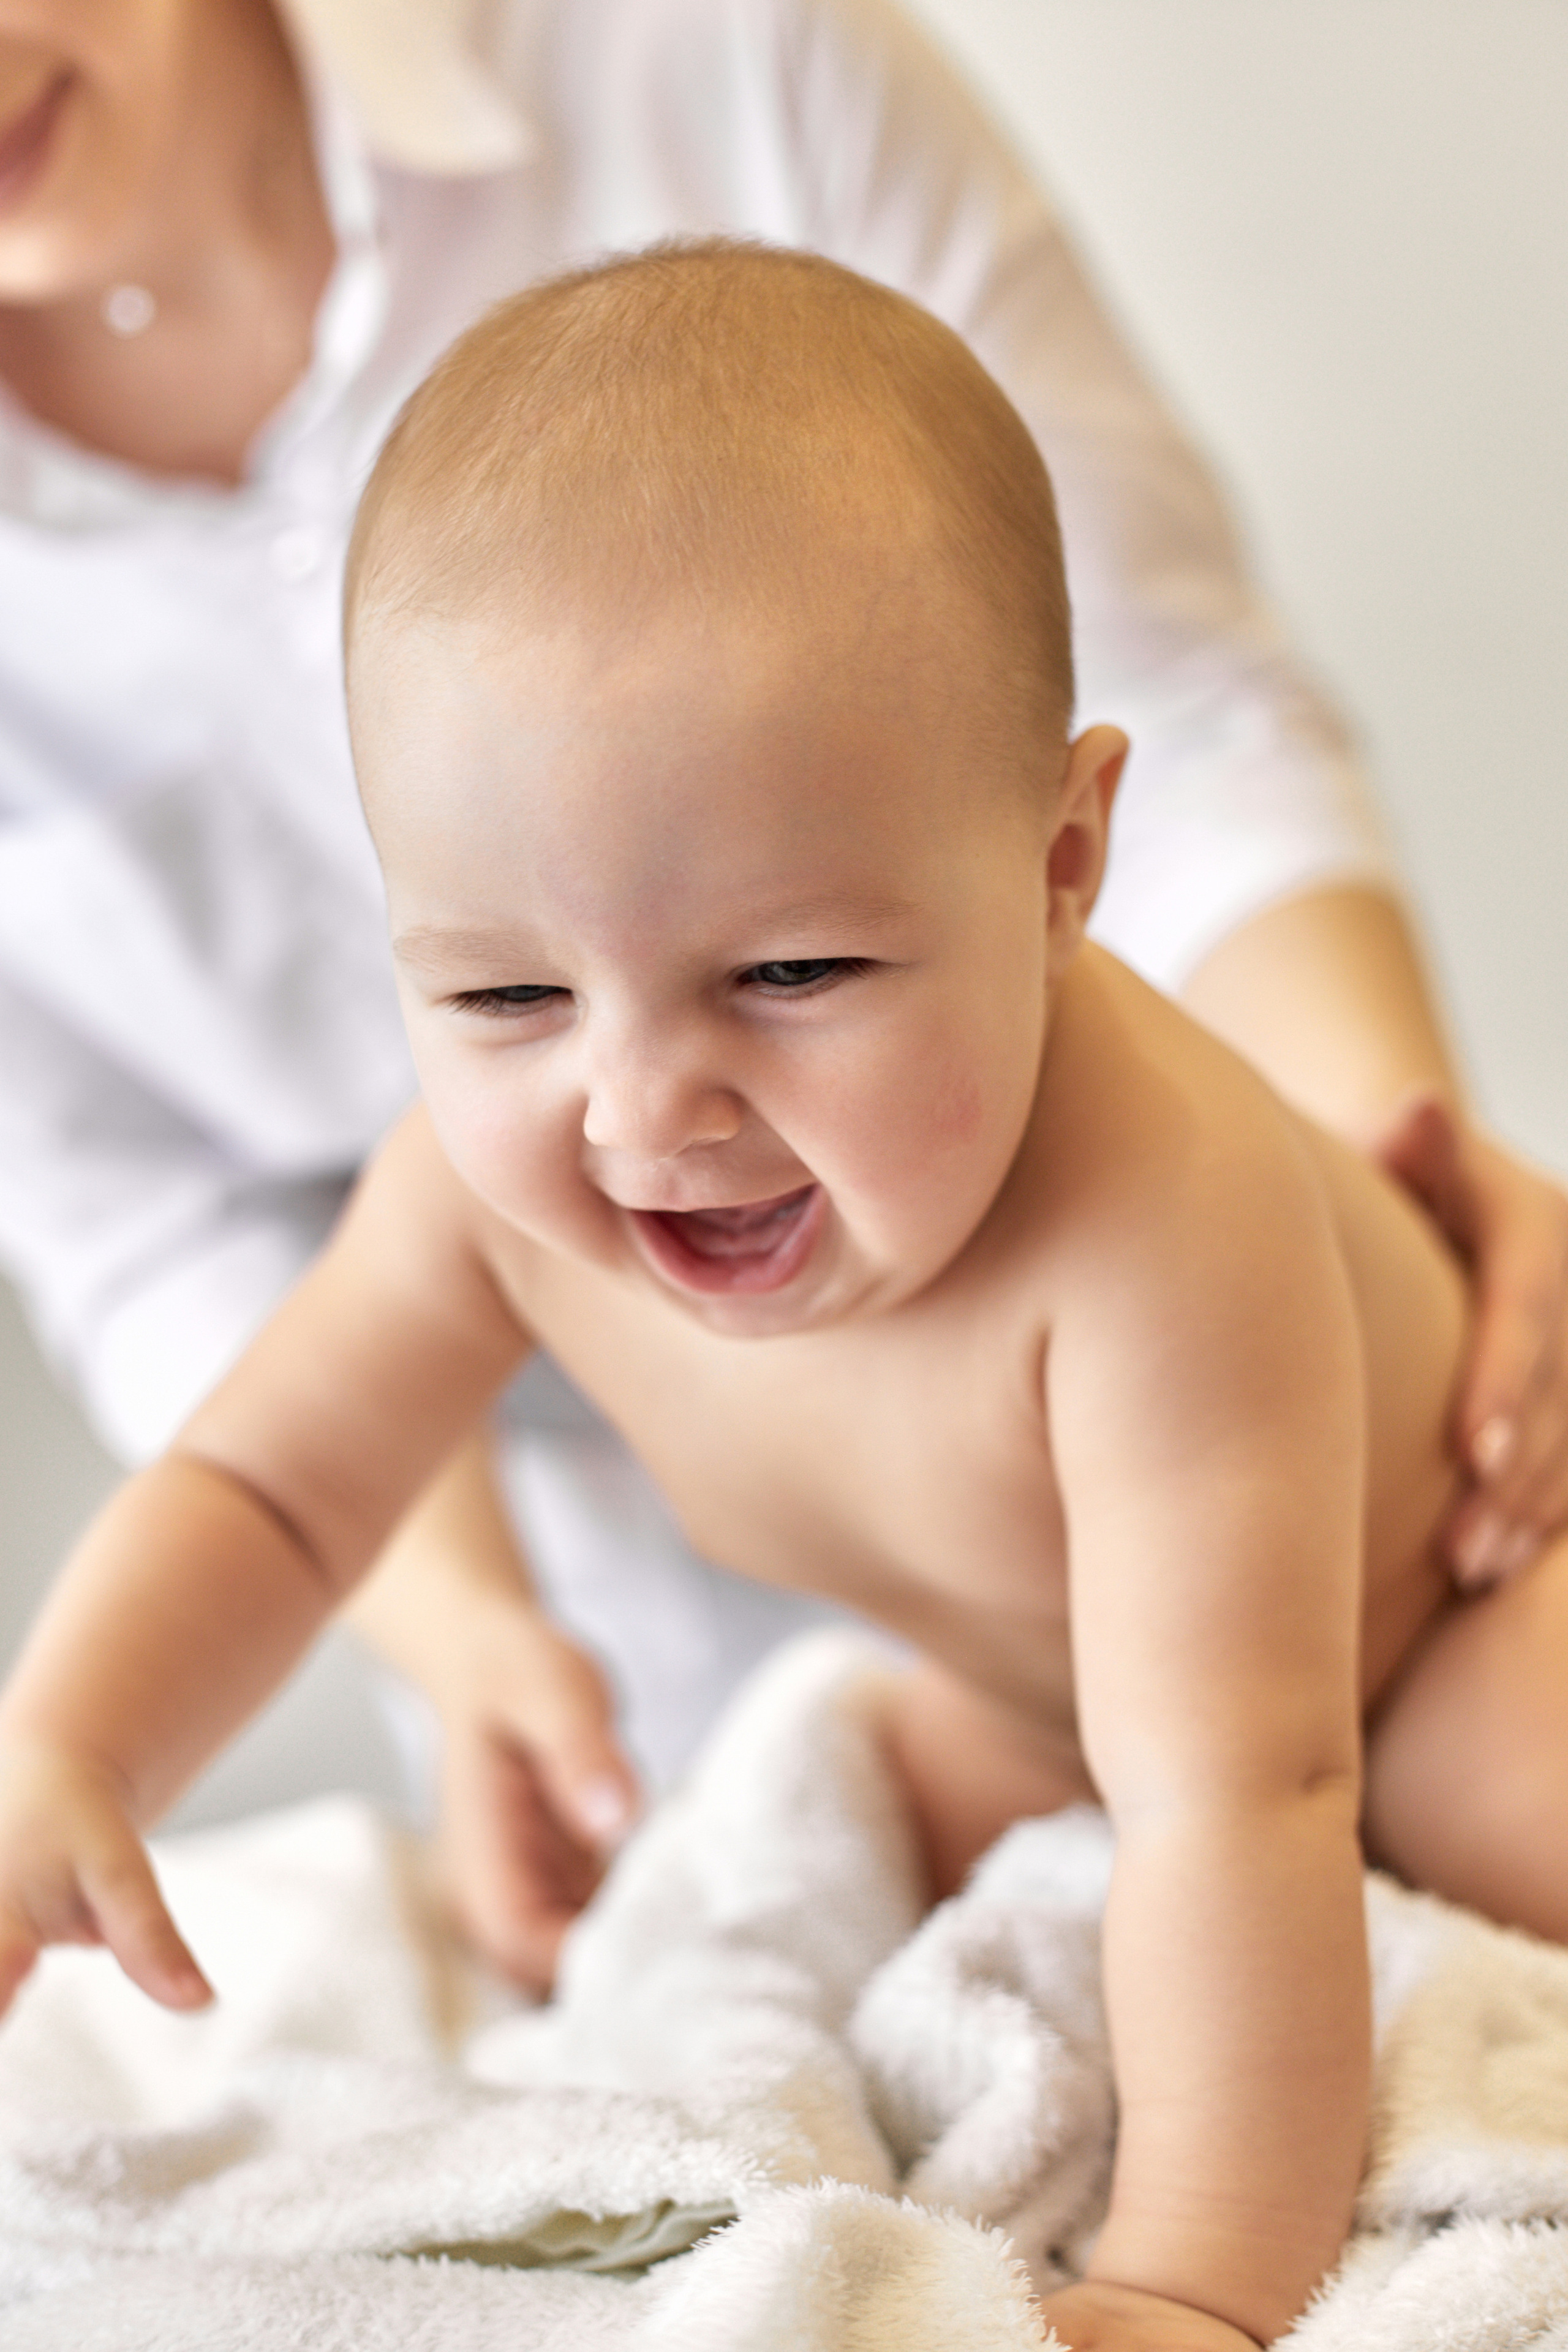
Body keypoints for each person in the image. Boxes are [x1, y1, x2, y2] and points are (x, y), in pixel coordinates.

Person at [3, 243, 1565, 2352]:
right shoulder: (488, 1209)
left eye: (793, 975)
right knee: (807, 1903)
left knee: (1503, 1816)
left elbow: (1248, 1791)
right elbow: (272, 1492)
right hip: (1055, 1714)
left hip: (1444, 1616)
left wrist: (1193, 2282)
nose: (647, 1108)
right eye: (506, 992)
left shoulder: (1161, 1234)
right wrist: (68, 1741)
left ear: (1059, 863)